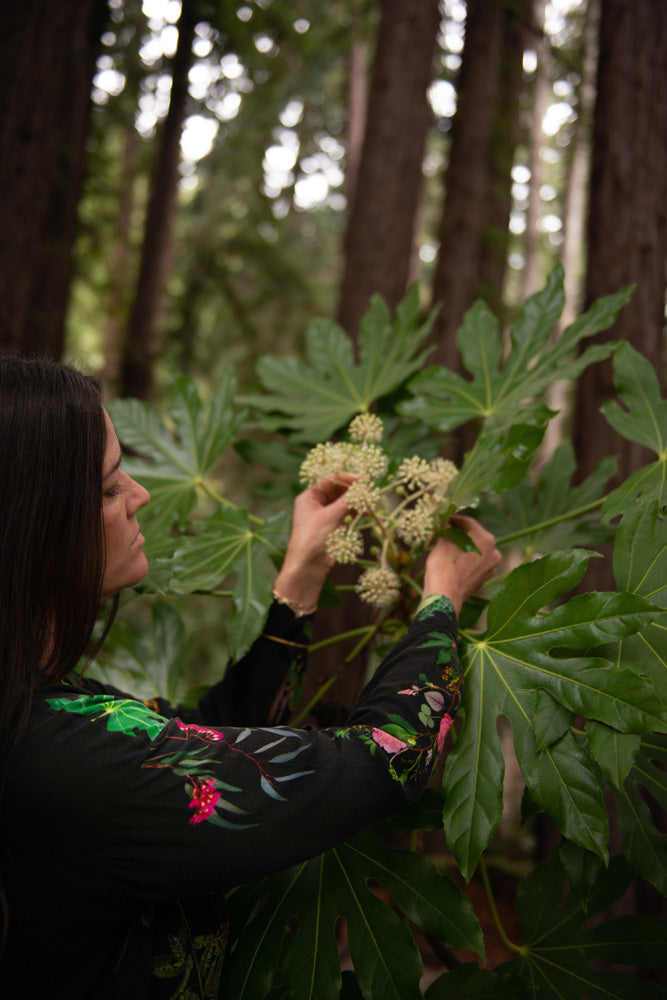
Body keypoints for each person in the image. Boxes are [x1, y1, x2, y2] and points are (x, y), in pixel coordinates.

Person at [0, 355, 501, 999]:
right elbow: (384, 759)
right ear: (36, 530)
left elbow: (200, 745)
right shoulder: (68, 762)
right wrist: (441, 602)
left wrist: (297, 586)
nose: (139, 494)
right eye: (106, 487)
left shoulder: (42, 714)